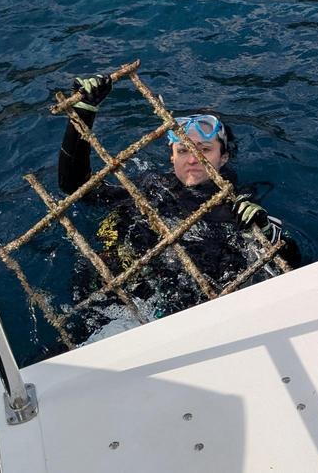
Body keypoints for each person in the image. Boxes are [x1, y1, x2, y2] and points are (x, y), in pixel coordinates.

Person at [58, 74, 301, 321]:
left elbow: (293, 265)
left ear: (223, 157)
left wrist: (266, 231)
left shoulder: (236, 206)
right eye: (183, 150)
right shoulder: (150, 185)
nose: (193, 159)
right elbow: (76, 188)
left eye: (204, 149)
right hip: (111, 300)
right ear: (171, 157)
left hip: (183, 311)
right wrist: (83, 113)